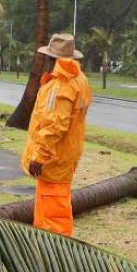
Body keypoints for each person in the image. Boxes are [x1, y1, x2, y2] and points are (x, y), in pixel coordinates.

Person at [21, 32, 93, 236]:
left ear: (52, 58)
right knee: (49, 210)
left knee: (53, 217)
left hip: (54, 159)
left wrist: (39, 157)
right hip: (64, 156)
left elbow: (55, 125)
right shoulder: (80, 81)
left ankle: (55, 259)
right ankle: (45, 253)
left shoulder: (61, 85)